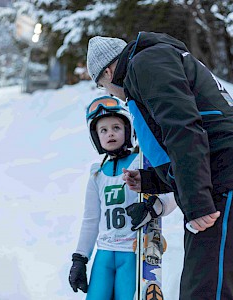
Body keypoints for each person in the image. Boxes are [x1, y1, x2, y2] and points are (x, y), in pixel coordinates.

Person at [85, 32, 233, 300]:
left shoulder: (146, 63)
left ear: (108, 72)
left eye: (102, 86)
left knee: (206, 291)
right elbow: (183, 133)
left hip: (227, 179)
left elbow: (184, 128)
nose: (111, 95)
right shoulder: (159, 59)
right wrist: (152, 180)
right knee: (221, 289)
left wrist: (197, 202)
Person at [68, 96, 176, 299]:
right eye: (103, 130)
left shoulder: (141, 161)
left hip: (133, 251)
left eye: (116, 127)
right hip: (105, 253)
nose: (110, 134)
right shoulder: (96, 173)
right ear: (96, 137)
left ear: (128, 130)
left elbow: (173, 192)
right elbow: (91, 220)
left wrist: (156, 206)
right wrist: (80, 259)